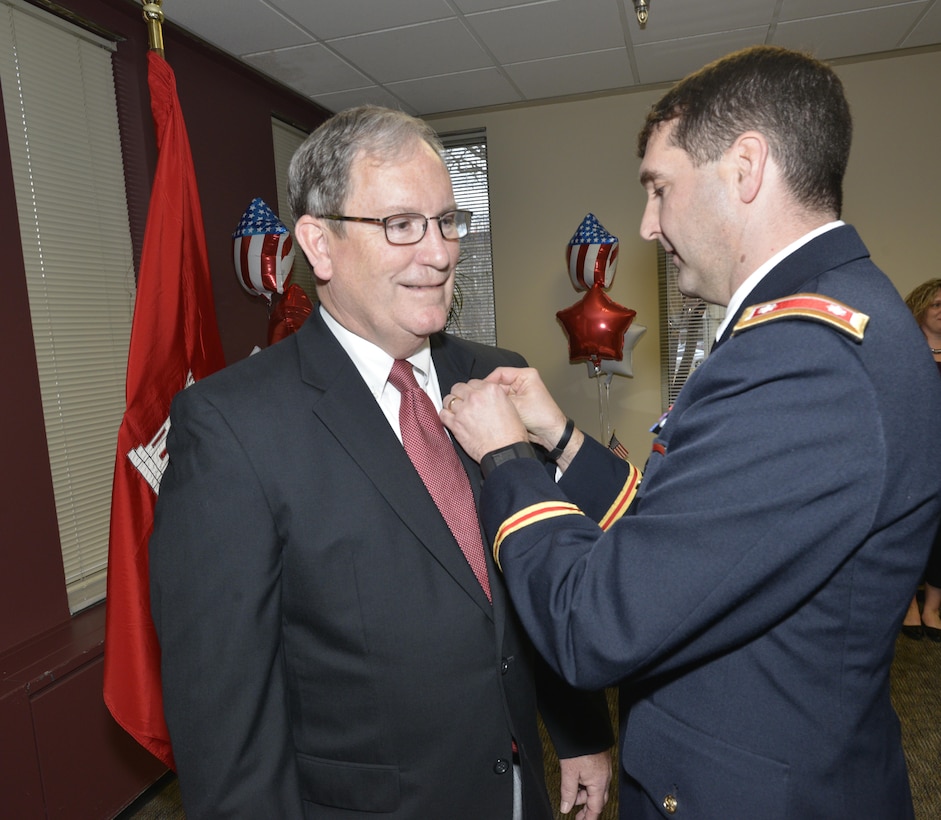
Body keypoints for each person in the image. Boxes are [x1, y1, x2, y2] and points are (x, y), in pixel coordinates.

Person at [440, 46, 941, 818]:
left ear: (745, 168)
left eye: (658, 188)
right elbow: (693, 535)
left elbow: (593, 624)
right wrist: (561, 437)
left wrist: (507, 456)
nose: (645, 225)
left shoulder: (803, 360)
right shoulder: (837, 317)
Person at [149, 105, 613, 819]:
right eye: (400, 225)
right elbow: (226, 721)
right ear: (319, 245)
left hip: (520, 790)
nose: (437, 253)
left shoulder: (500, 379)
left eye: (446, 221)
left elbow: (533, 579)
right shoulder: (231, 426)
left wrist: (578, 732)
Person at [900, 278, 941, 641]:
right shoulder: (904, 351)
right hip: (915, 455)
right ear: (921, 307)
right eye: (937, 304)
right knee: (914, 526)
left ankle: (932, 607)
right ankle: (909, 604)